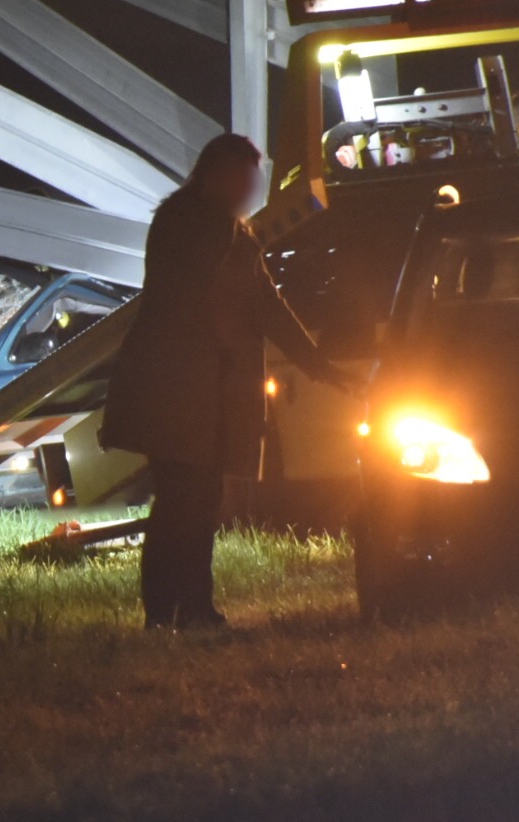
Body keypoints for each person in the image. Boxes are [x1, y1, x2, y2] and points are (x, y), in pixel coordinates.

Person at [101, 134, 357, 630]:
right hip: (180, 395)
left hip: (201, 395)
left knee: (197, 501)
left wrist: (321, 367)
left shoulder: (221, 230)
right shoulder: (194, 225)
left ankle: (188, 606)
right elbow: (210, 297)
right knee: (184, 501)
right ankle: (173, 609)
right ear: (217, 175)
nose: (251, 189)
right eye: (243, 178)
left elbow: (267, 307)